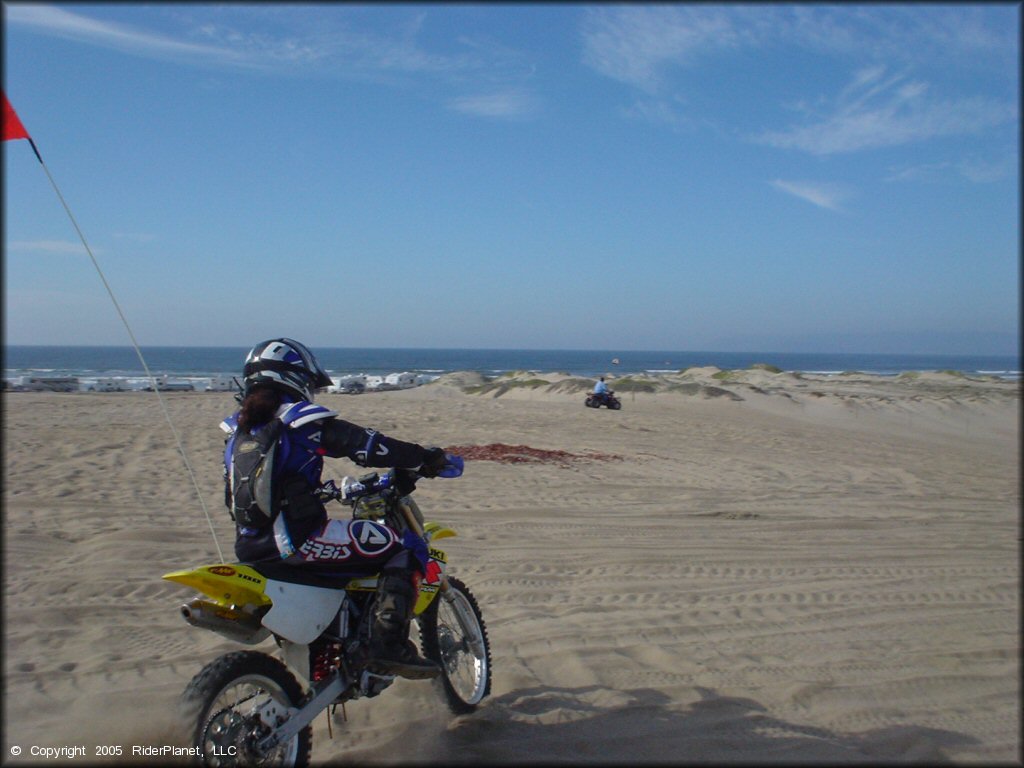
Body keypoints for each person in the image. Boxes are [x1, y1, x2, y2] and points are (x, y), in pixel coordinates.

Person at [221, 338, 462, 679]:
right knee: (402, 549)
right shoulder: (300, 420)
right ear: (297, 378)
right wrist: (424, 457)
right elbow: (369, 447)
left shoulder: (237, 432)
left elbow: (261, 491)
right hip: (298, 543)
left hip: (250, 547)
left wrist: (320, 492)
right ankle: (387, 645)